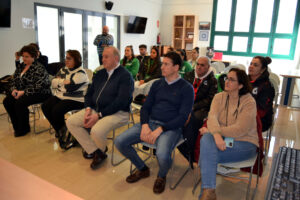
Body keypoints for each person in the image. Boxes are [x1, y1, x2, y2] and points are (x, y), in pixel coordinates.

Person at [115, 51, 194, 194]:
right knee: (120, 141)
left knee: (162, 155)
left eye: (166, 64)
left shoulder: (186, 88)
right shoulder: (157, 84)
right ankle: (142, 169)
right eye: (162, 63)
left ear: (176, 68)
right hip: (150, 123)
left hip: (171, 128)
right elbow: (146, 107)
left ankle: (161, 175)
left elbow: (183, 118)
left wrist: (161, 129)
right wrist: (144, 125)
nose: (162, 67)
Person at [66, 46, 134, 170]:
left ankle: (98, 150)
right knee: (71, 122)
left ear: (116, 58)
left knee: (96, 130)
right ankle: (97, 151)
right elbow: (89, 93)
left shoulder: (125, 76)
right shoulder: (100, 74)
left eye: (106, 57)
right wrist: (87, 109)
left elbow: (121, 102)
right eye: (102, 56)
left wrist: (98, 115)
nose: (103, 59)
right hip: (96, 109)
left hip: (119, 113)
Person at [198, 68, 258, 200]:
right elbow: (211, 118)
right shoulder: (219, 97)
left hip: (245, 143)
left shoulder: (249, 102)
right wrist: (216, 134)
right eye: (227, 78)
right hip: (223, 139)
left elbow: (240, 129)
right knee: (207, 142)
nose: (227, 81)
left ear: (241, 85)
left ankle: (207, 193)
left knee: (206, 152)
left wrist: (214, 131)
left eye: (232, 80)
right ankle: (209, 192)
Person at [3, 45, 51, 137]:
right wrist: (13, 90)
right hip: (23, 91)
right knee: (7, 101)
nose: (24, 58)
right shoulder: (21, 66)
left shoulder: (39, 68)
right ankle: (17, 127)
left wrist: (23, 92)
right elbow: (14, 80)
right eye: (23, 56)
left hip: (41, 93)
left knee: (20, 103)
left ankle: (24, 128)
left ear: (33, 56)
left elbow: (40, 85)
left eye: (27, 57)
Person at [178, 56, 218, 163]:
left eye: (202, 65)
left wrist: (194, 106)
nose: (199, 67)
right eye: (198, 64)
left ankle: (190, 150)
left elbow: (210, 99)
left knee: (193, 119)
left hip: (201, 108)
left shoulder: (212, 80)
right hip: (186, 104)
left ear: (208, 67)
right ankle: (178, 141)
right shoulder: (189, 75)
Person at [41, 50, 89, 139]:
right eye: (66, 58)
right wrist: (63, 81)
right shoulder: (63, 69)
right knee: (45, 106)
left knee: (56, 110)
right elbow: (53, 83)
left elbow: (70, 88)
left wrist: (60, 83)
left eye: (69, 58)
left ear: (76, 60)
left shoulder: (81, 73)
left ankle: (62, 130)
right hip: (62, 96)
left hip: (76, 99)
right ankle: (60, 129)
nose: (66, 60)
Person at [248, 56, 275, 132]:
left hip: (260, 119)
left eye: (255, 65)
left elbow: (262, 110)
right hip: (244, 114)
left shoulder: (267, 86)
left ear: (262, 70)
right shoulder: (245, 81)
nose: (251, 67)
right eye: (251, 64)